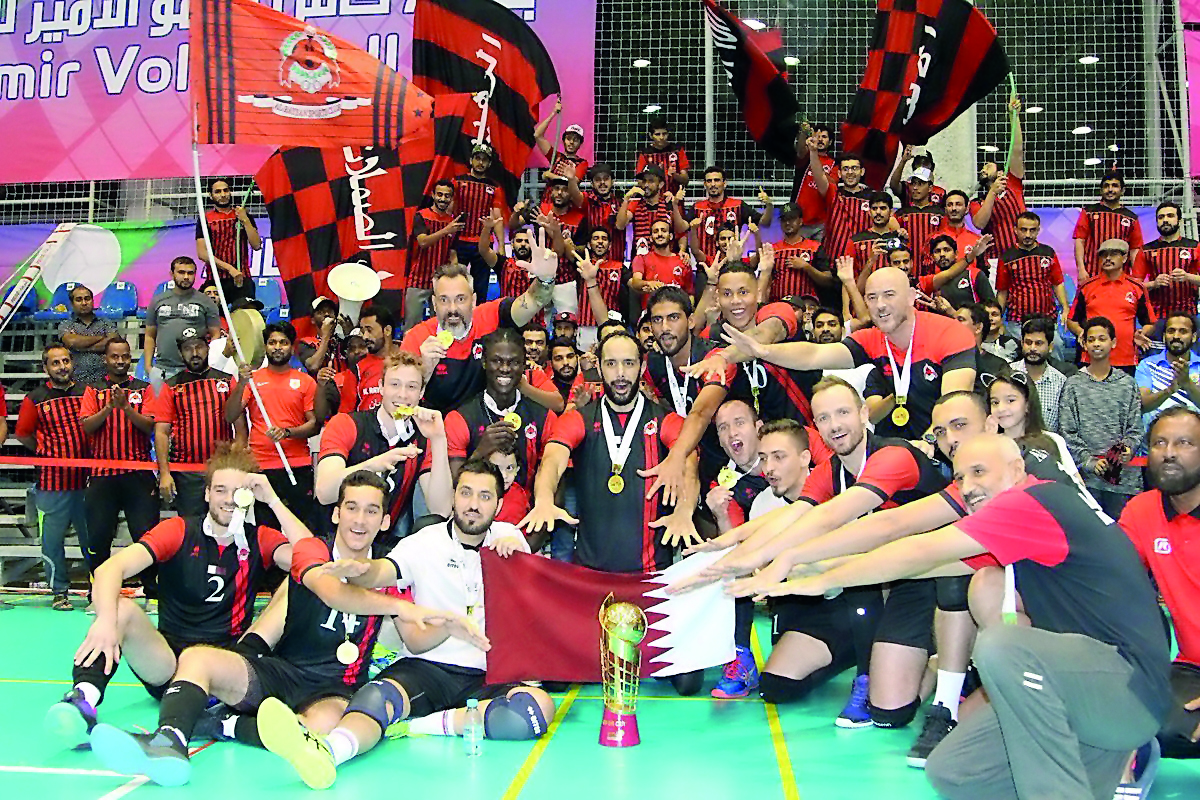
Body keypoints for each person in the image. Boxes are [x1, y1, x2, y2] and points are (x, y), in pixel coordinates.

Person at [745, 433, 1169, 800]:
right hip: (1086, 695)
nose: (968, 487)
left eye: (980, 472)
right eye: (962, 476)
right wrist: (814, 570)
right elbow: (925, 564)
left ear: (1017, 468)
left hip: (1127, 689)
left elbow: (916, 548)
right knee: (953, 770)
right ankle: (1106, 771)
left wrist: (811, 577)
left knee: (1003, 647)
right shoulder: (1024, 517)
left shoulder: (1034, 501)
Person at [87, 470, 471, 787]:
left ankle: (224, 724)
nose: (359, 519)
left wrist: (452, 625)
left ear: (385, 521)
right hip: (284, 672)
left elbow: (416, 641)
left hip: (335, 687)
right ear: (336, 514)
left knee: (321, 729)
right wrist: (400, 605)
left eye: (372, 511)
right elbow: (334, 593)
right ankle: (169, 742)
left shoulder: (391, 571)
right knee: (198, 659)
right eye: (351, 508)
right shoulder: (312, 552)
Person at [254, 461, 550, 790]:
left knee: (535, 710)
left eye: (484, 496)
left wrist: (520, 556)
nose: (473, 504)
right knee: (373, 697)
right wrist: (358, 569)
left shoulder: (509, 539)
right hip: (428, 667)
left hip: (491, 672)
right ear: (453, 497)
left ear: (498, 503)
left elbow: (534, 589)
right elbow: (381, 571)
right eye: (465, 493)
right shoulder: (422, 543)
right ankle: (329, 753)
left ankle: (423, 724)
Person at [678, 376, 949, 728]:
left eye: (842, 413)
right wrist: (725, 547)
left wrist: (773, 560)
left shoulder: (893, 456)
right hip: (876, 580)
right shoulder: (830, 471)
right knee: (778, 685)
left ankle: (934, 658)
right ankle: (864, 652)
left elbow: (830, 516)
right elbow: (791, 515)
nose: (835, 425)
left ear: (864, 413)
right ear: (817, 427)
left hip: (926, 579)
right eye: (824, 418)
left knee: (890, 711)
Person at [44, 445, 305, 748]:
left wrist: (272, 499)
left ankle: (213, 718)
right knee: (121, 609)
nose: (229, 499)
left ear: (250, 495)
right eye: (221, 490)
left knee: (302, 579)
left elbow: (314, 560)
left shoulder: (260, 538)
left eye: (239, 491)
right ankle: (82, 701)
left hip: (230, 663)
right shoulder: (178, 531)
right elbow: (110, 569)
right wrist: (106, 620)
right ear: (207, 494)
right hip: (169, 664)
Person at [522, 330, 703, 693]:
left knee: (687, 683)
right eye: (611, 364)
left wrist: (685, 509)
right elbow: (554, 459)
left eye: (629, 363)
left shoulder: (663, 419)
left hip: (650, 579)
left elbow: (689, 460)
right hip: (593, 581)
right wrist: (543, 498)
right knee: (556, 680)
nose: (620, 373)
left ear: (640, 369)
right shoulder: (578, 419)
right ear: (598, 369)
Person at [699, 267, 976, 444]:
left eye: (889, 295)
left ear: (911, 296)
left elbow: (955, 406)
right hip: (901, 447)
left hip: (949, 446)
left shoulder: (950, 333)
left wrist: (929, 444)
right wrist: (763, 351)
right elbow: (813, 356)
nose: (880, 306)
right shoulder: (871, 339)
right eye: (871, 297)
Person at [1119, 407, 1200, 761]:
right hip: (1191, 665)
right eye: (1159, 443)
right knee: (1149, 726)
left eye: (1184, 443)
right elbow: (1113, 582)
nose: (1169, 452)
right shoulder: (1141, 511)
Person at [315, 350, 451, 545]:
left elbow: (441, 509)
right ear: (381, 387)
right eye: (394, 384)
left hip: (382, 546)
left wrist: (439, 439)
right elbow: (324, 492)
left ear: (421, 393)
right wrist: (375, 464)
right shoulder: (346, 424)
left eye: (411, 387)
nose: (402, 394)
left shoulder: (424, 437)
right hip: (330, 540)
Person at [401, 250, 557, 412]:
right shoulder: (417, 338)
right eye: (444, 300)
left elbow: (531, 301)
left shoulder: (490, 316)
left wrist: (545, 280)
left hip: (487, 422)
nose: (452, 309)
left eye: (460, 299)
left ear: (474, 300)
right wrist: (424, 370)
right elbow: (401, 405)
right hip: (437, 424)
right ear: (434, 303)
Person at [444, 328, 557, 507]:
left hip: (527, 523)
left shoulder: (544, 417)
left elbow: (556, 486)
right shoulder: (459, 419)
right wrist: (481, 451)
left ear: (524, 365)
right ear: (484, 362)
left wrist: (534, 533)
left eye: (513, 362)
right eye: (497, 361)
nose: (505, 369)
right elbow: (453, 490)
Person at [79, 338, 160, 585]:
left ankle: (152, 590)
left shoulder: (144, 389)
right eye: (115, 357)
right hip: (103, 475)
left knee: (146, 536)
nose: (120, 361)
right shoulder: (93, 390)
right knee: (99, 537)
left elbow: (149, 426)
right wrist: (108, 408)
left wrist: (125, 408)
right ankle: (99, 590)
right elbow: (87, 427)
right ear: (105, 360)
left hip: (139, 475)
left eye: (124, 356)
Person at [15, 343, 90, 610]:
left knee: (92, 541)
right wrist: (47, 453)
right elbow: (23, 433)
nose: (62, 367)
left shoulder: (87, 393)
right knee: (51, 542)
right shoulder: (34, 399)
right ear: (45, 368)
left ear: (72, 363)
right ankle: (59, 592)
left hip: (87, 482)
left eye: (65, 361)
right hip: (51, 484)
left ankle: (97, 592)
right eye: (55, 363)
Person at [704, 399, 768, 699]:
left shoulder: (794, 443)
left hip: (820, 549)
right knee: (782, 685)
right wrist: (720, 514)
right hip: (770, 563)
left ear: (758, 428)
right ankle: (740, 655)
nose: (732, 433)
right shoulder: (725, 482)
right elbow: (736, 551)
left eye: (739, 423)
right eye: (723, 428)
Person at [225, 322, 318, 527]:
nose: (277, 347)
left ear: (292, 348)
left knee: (301, 527)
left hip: (297, 465)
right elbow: (230, 415)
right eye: (272, 342)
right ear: (265, 347)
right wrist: (241, 383)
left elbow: (314, 425)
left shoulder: (305, 382)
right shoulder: (252, 380)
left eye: (283, 342)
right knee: (264, 531)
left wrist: (288, 432)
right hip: (260, 467)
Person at [151, 333, 245, 518]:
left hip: (222, 469)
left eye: (199, 347)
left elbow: (240, 427)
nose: (194, 353)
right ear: (180, 352)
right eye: (187, 348)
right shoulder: (170, 387)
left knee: (227, 523)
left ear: (208, 348)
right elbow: (161, 432)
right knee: (191, 528)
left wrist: (238, 465)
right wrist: (164, 473)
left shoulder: (226, 381)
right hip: (186, 473)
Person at [1060, 316, 1144, 517]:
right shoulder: (1073, 384)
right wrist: (1088, 461)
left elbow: (1136, 428)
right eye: (1091, 339)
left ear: (1113, 342)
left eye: (1102, 338)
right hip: (1086, 481)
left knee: (1125, 539)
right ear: (1084, 343)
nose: (1096, 343)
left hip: (1124, 482)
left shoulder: (1127, 384)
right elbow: (1067, 431)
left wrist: (1129, 448)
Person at [1068, 239, 1156, 372]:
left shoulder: (1136, 287)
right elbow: (1071, 321)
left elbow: (1151, 323)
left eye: (1113, 254)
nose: (1108, 258)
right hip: (1091, 358)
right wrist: (1082, 332)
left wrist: (1141, 333)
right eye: (1103, 255)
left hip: (1125, 358)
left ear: (1125, 257)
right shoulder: (1087, 287)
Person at [144, 257, 222, 382]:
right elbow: (149, 336)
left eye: (190, 273)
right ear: (172, 274)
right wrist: (148, 367)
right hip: (163, 369)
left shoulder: (206, 301)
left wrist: (209, 363)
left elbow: (215, 336)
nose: (186, 277)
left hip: (195, 370)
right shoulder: (157, 300)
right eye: (181, 272)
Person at [995, 211, 1070, 341]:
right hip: (1017, 321)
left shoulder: (1048, 253)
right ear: (1015, 230)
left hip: (1046, 319)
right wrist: (998, 319)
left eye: (1032, 230)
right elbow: (1002, 291)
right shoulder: (1007, 257)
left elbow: (1057, 283)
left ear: (1038, 231)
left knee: (1056, 349)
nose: (1028, 235)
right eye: (1023, 230)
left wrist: (1065, 307)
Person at [970, 97, 1028, 255]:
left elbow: (1017, 150)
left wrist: (1013, 116)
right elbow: (980, 223)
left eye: (988, 166)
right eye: (982, 168)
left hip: (1024, 253)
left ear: (1001, 173)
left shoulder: (1013, 183)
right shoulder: (976, 203)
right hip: (996, 260)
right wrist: (992, 193)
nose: (984, 168)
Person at [451, 143, 506, 302]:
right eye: (477, 158)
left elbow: (497, 217)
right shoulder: (457, 182)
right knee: (456, 285)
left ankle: (479, 322)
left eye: (484, 160)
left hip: (482, 244)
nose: (480, 163)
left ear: (489, 163)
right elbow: (449, 211)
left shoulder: (495, 187)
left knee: (481, 288)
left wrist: (501, 245)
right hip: (458, 241)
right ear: (471, 160)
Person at [688, 166, 772, 264]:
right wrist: (676, 204)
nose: (713, 184)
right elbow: (681, 229)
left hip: (733, 265)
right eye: (709, 181)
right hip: (705, 265)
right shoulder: (697, 207)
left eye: (717, 180)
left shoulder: (738, 205)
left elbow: (765, 223)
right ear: (705, 184)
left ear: (724, 183)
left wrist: (769, 205)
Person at [406, 180, 462, 329]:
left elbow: (452, 251)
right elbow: (422, 242)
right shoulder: (421, 216)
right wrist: (446, 231)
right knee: (412, 325)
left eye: (447, 196)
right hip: (418, 278)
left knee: (441, 325)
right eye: (440, 194)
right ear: (433, 195)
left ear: (452, 198)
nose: (443, 199)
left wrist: (455, 275)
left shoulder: (453, 222)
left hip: (440, 280)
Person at [196, 178, 261, 304]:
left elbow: (256, 245)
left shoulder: (242, 215)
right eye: (218, 191)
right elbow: (202, 253)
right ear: (211, 195)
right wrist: (230, 269)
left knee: (245, 318)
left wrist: (245, 220)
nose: (223, 194)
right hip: (215, 279)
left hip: (242, 279)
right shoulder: (206, 219)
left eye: (226, 190)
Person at [1133, 200, 1200, 321]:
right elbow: (1134, 287)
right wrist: (1154, 284)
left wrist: (1187, 277)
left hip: (1188, 316)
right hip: (1156, 317)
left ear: (1180, 220)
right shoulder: (1146, 250)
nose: (1165, 220)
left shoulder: (1194, 247)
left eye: (1170, 216)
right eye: (1161, 217)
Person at [1073, 172, 1144, 283]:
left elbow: (1135, 250)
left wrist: (1136, 276)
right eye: (1106, 186)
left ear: (1123, 190)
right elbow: (1080, 241)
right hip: (1092, 275)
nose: (1110, 189)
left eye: (1115, 186)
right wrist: (1081, 269)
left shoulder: (1131, 218)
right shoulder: (1088, 212)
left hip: (1121, 278)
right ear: (1101, 190)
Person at [1135, 312, 1200, 432]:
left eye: (1183, 331)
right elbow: (1141, 405)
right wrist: (1169, 390)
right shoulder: (1147, 365)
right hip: (1154, 444)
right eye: (1171, 331)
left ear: (1194, 337)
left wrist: (1187, 384)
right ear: (1164, 336)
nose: (1176, 336)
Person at [813, 152, 874, 275]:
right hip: (834, 264)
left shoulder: (872, 197)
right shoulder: (833, 193)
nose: (850, 172)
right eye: (846, 169)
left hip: (863, 264)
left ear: (862, 172)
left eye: (854, 168)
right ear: (840, 173)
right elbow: (819, 176)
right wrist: (813, 152)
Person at [1011, 316, 1072, 432]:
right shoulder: (1008, 374)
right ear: (1022, 343)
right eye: (1028, 343)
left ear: (1050, 347)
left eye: (1039, 343)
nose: (1032, 348)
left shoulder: (1060, 382)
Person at [614, 162, 688, 258]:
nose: (646, 185)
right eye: (644, 181)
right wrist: (626, 199)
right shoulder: (635, 203)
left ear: (661, 184)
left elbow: (681, 232)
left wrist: (682, 250)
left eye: (651, 181)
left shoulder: (669, 203)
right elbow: (620, 225)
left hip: (666, 260)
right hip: (641, 261)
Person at [760, 203, 827, 304]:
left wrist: (807, 267)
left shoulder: (815, 247)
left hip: (807, 307)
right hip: (778, 306)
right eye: (784, 219)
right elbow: (767, 281)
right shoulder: (773, 249)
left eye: (792, 219)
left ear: (800, 221)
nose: (787, 223)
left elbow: (828, 280)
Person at [338, 306, 398, 413]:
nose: (365, 337)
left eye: (369, 330)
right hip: (367, 428)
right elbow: (346, 413)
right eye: (362, 331)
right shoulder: (357, 369)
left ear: (387, 330)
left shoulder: (409, 361)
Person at [573, 229, 624, 348]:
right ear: (589, 245)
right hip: (586, 325)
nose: (600, 242)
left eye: (604, 239)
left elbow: (633, 284)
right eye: (596, 238)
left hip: (611, 326)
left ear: (610, 245)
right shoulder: (580, 265)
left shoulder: (620, 267)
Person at [58, 284, 115, 386]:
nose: (84, 303)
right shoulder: (65, 324)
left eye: (87, 299)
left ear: (92, 301)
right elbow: (71, 341)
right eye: (79, 300)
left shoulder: (106, 323)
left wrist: (81, 346)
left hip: (104, 381)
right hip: (75, 382)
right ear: (72, 303)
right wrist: (101, 338)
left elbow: (112, 344)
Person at [895, 166, 946, 276]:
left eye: (920, 184)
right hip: (906, 273)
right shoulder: (901, 214)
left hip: (934, 274)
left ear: (930, 188)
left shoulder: (941, 214)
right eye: (913, 184)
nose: (915, 188)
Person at [630, 219, 693, 306]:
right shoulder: (641, 258)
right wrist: (648, 283)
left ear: (670, 236)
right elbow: (635, 282)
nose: (660, 234)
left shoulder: (683, 260)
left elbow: (690, 293)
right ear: (651, 238)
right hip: (651, 313)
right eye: (656, 231)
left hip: (677, 312)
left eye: (663, 231)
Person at [791, 125, 837, 239]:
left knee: (819, 256)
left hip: (822, 222)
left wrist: (818, 170)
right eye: (818, 136)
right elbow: (800, 150)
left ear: (830, 142)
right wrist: (803, 133)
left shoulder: (834, 163)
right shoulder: (805, 158)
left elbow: (831, 185)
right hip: (798, 220)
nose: (820, 139)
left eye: (824, 137)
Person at [534, 98, 589, 187]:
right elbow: (538, 135)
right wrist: (553, 113)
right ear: (563, 140)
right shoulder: (555, 157)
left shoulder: (582, 163)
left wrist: (550, 175)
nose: (571, 142)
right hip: (549, 200)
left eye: (575, 140)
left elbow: (573, 181)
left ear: (580, 143)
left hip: (567, 200)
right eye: (569, 138)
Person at [578, 163, 626, 263]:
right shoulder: (587, 201)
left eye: (606, 178)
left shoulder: (620, 204)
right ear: (592, 183)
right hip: (591, 264)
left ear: (612, 181)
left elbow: (621, 226)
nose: (602, 183)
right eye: (598, 179)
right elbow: (574, 193)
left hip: (616, 263)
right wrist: (571, 180)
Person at [953, 305, 1011, 385]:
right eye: (953, 320)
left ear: (978, 328)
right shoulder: (945, 361)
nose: (953, 323)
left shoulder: (998, 366)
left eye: (961, 319)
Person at [297, 296, 351, 378]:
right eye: (321, 312)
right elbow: (313, 366)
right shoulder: (305, 343)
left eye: (330, 311)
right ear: (313, 320)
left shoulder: (342, 341)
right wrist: (326, 336)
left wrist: (349, 335)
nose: (326, 314)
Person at [634, 115, 690, 192]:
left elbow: (685, 180)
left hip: (674, 200)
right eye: (657, 134)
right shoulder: (645, 154)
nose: (661, 137)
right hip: (652, 201)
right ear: (651, 135)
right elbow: (640, 181)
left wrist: (675, 175)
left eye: (664, 134)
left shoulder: (677, 150)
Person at [934, 190, 981, 261]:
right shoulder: (934, 239)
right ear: (945, 209)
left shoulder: (977, 241)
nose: (954, 208)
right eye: (950, 205)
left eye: (958, 204)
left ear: (966, 208)